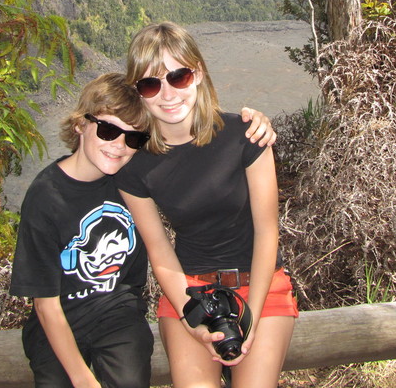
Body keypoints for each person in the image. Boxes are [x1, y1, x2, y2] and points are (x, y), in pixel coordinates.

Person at [10, 72, 276, 388]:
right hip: (59, 320)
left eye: (134, 138)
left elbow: (190, 151)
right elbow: (45, 305)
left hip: (119, 318)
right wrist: (83, 380)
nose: (119, 146)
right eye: (108, 130)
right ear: (81, 124)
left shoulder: (129, 176)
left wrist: (252, 123)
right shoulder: (47, 196)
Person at [116, 22, 297, 388]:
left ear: (197, 74)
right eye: (150, 84)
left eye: (178, 77)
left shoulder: (245, 137)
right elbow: (159, 252)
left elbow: (267, 232)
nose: (167, 94)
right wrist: (190, 316)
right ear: (138, 92)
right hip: (189, 291)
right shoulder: (134, 167)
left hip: (260, 286)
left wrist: (250, 317)